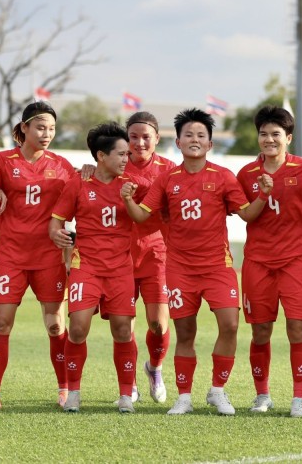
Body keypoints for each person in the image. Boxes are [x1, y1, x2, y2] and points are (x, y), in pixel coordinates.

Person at [121, 108, 272, 415]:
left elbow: (247, 215)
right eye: (188, 134)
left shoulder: (223, 177)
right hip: (179, 269)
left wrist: (263, 196)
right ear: (177, 142)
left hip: (218, 266)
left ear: (210, 144)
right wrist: (127, 199)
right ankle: (184, 397)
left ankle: (217, 390)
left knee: (230, 325)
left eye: (201, 135)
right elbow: (141, 216)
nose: (194, 139)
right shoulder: (167, 179)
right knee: (185, 332)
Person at [0, 101, 76, 412]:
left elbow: (82, 198)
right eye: (40, 127)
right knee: (1, 324)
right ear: (25, 127)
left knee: (56, 325)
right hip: (10, 258)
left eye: (52, 128)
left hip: (49, 258)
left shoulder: (61, 165)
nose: (46, 134)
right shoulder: (3, 161)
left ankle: (64, 389)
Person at [236, 106, 302, 418]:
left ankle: (300, 399)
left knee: (298, 329)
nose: (269, 139)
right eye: (264, 133)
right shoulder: (246, 175)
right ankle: (262, 395)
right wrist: (260, 195)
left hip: (297, 261)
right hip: (257, 262)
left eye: (276, 134)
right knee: (261, 332)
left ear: (289, 138)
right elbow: (242, 213)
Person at [49, 122, 151, 413]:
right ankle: (74, 393)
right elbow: (56, 221)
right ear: (101, 156)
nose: (125, 159)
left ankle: (125, 396)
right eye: (120, 154)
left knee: (122, 330)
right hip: (87, 266)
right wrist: (56, 233)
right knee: (78, 328)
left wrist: (130, 198)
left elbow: (158, 199)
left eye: (127, 155)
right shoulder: (79, 183)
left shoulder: (131, 185)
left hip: (121, 269)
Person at [124, 111, 177, 403]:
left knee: (159, 324)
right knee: (125, 323)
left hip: (157, 253)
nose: (140, 142)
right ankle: (128, 382)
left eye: (146, 137)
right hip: (120, 255)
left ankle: (154, 368)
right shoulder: (116, 164)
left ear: (157, 138)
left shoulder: (169, 170)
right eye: (134, 136)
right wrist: (88, 169)